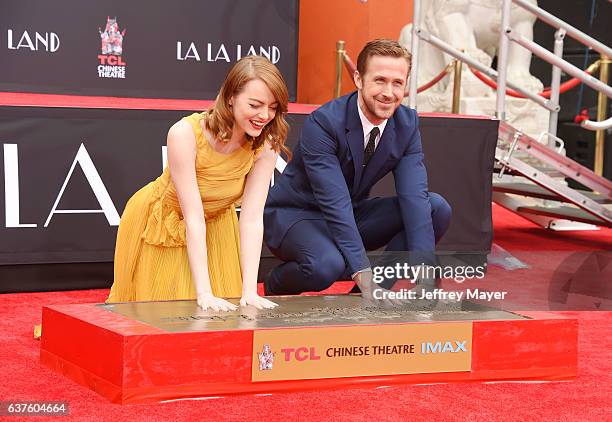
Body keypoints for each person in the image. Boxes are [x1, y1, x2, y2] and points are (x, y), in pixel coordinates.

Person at [262, 39, 452, 298]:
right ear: (359, 79)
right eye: (379, 80)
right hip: (297, 215)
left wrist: (424, 270)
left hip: (352, 212)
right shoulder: (325, 122)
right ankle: (277, 283)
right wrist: (363, 272)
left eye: (397, 83)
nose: (388, 92)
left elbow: (414, 196)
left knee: (435, 207)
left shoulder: (406, 124)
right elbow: (334, 201)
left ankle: (366, 296)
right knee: (327, 265)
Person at [107, 55, 289, 311]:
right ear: (230, 97)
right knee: (166, 317)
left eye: (272, 107)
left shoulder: (266, 145)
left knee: (225, 320)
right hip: (168, 223)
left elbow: (251, 218)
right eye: (255, 104)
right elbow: (193, 217)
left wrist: (250, 290)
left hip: (217, 225)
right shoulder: (185, 134)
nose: (264, 115)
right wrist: (204, 293)